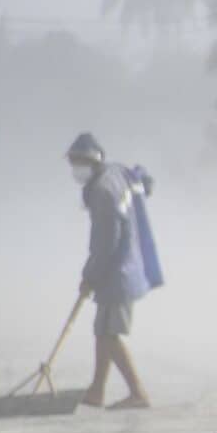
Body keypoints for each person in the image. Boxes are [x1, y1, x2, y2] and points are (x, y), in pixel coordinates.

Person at [67, 133, 151, 410]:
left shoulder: (103, 190)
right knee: (102, 330)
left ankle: (138, 393)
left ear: (92, 161)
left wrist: (90, 275)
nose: (75, 168)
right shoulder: (114, 173)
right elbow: (143, 180)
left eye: (78, 162)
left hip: (118, 272)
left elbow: (105, 241)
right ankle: (97, 390)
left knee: (110, 333)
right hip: (121, 268)